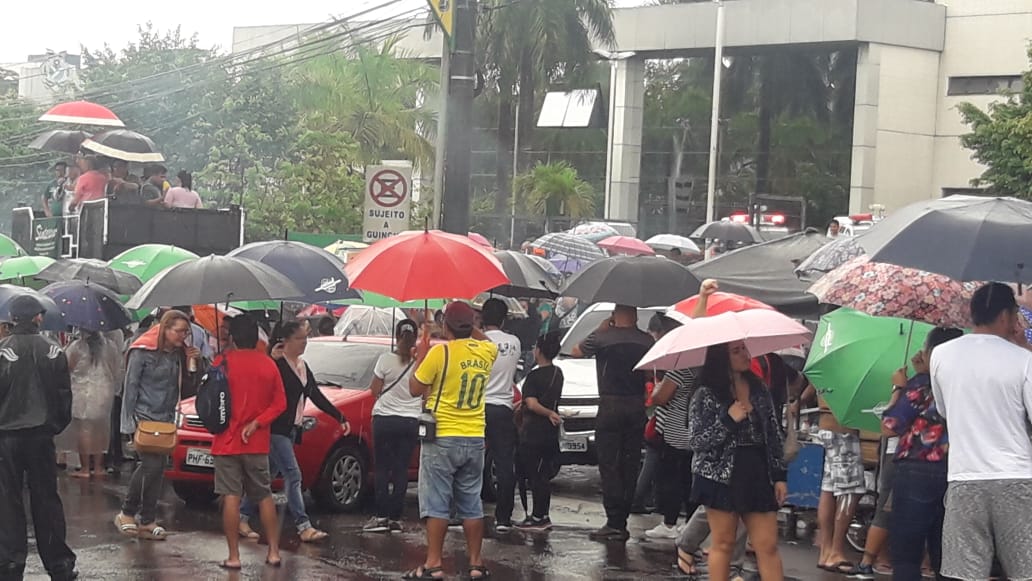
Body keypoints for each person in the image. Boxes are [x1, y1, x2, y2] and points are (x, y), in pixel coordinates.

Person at [931, 283, 1032, 581]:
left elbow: (944, 410)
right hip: (1016, 478)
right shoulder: (1024, 360)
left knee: (964, 573)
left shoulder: (940, 354)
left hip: (964, 479)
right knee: (1025, 571)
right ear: (1005, 315)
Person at [405, 302, 497, 580]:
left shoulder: (439, 352)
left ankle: (433, 563)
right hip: (474, 436)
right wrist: (468, 324)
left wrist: (421, 357)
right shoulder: (486, 351)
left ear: (445, 326)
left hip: (442, 436)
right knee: (472, 503)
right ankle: (476, 563)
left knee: (437, 502)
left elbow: (414, 388)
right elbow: (486, 340)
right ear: (472, 324)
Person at [687, 341, 788, 581]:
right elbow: (697, 441)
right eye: (736, 351)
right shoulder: (706, 392)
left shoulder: (758, 388)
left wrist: (779, 475)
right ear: (721, 357)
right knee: (724, 543)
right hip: (718, 474)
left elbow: (773, 434)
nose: (745, 354)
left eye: (744, 348)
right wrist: (728, 420)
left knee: (768, 544)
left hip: (756, 469)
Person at [239, 321, 347, 542]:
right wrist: (271, 358)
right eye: (299, 338)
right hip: (275, 428)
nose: (304, 342)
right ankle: (303, 525)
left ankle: (241, 516)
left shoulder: (303, 367)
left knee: (265, 477)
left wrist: (339, 417)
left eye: (306, 338)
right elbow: (261, 384)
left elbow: (315, 395)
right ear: (285, 340)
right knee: (293, 474)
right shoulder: (277, 364)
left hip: (291, 429)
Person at [0, 296, 77, 581]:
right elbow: (63, 397)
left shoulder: (2, 351)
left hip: (6, 436)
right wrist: (53, 425)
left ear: (12, 318)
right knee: (46, 498)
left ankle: (9, 561)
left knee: (7, 500)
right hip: (41, 434)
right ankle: (59, 562)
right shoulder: (54, 351)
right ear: (38, 318)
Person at [881, 327, 963, 581]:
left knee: (907, 552)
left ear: (931, 353)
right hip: (954, 470)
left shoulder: (922, 384)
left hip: (917, 469)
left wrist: (899, 387)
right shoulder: (964, 382)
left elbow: (889, 427)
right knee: (944, 554)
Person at [571, 304, 654, 542]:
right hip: (636, 405)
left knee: (609, 464)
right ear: (636, 316)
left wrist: (601, 327)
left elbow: (576, 350)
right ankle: (622, 520)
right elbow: (651, 371)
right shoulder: (646, 340)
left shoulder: (603, 337)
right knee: (630, 465)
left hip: (610, 406)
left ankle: (613, 521)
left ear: (615, 315)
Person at [115, 310, 201, 541]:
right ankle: (131, 513)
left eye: (186, 332)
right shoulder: (142, 350)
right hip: (144, 416)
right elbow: (130, 387)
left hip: (166, 418)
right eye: (179, 331)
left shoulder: (179, 354)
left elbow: (189, 389)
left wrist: (195, 362)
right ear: (165, 328)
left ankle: (143, 518)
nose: (183, 336)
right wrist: (128, 425)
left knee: (156, 468)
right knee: (151, 466)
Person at [212, 315, 286, 570]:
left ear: (233, 337)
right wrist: (257, 423)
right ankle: (274, 551)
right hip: (257, 442)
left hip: (226, 441)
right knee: (264, 495)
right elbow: (280, 403)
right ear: (256, 337)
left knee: (231, 497)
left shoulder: (222, 362)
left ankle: (234, 556)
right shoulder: (268, 365)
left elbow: (208, 400)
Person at [644, 314, 699, 540]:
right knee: (688, 480)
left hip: (676, 432)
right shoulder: (700, 366)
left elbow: (661, 397)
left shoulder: (681, 369)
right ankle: (691, 524)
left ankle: (669, 523)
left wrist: (657, 389)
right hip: (692, 430)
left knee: (671, 480)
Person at [365, 319, 422, 533]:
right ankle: (396, 517)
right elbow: (424, 393)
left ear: (396, 337)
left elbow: (374, 390)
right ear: (415, 337)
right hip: (410, 420)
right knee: (401, 468)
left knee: (382, 467)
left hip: (384, 419)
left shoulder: (385, 359)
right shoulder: (420, 362)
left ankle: (381, 516)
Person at [480, 298, 522, 533]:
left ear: (482, 318)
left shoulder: (477, 343)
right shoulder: (514, 343)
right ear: (505, 319)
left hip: (477, 407)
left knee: (469, 459)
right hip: (503, 407)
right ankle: (503, 518)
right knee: (504, 463)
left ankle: (463, 512)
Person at [515, 332, 564, 531]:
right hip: (550, 433)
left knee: (534, 476)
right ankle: (543, 514)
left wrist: (547, 412)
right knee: (543, 474)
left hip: (533, 431)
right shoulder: (557, 373)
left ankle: (537, 517)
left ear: (539, 351)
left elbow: (533, 404)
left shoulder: (534, 376)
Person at [62, 330, 122, 479]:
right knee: (101, 429)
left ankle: (85, 468)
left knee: (84, 430)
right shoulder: (111, 347)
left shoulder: (77, 346)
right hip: (104, 392)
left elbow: (67, 367)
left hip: (82, 392)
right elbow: (117, 369)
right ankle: (99, 467)